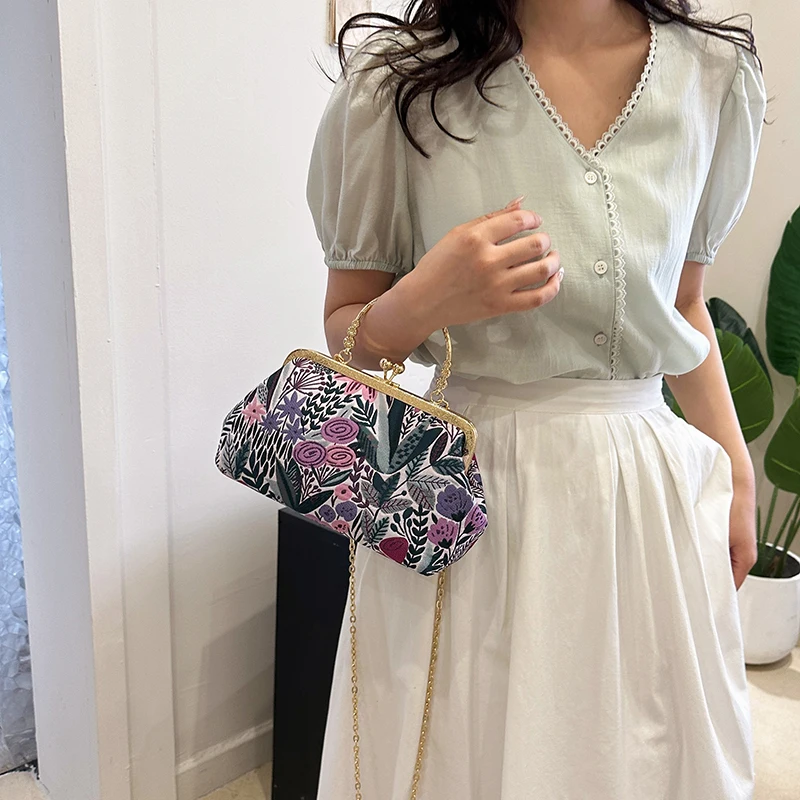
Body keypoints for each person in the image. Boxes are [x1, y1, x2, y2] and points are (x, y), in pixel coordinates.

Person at [305, 0, 768, 797]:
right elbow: (347, 337)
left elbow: (685, 304)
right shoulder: (401, 82)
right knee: (461, 753)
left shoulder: (710, 74)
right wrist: (426, 298)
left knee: (644, 754)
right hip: (469, 497)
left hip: (643, 500)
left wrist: (736, 469)